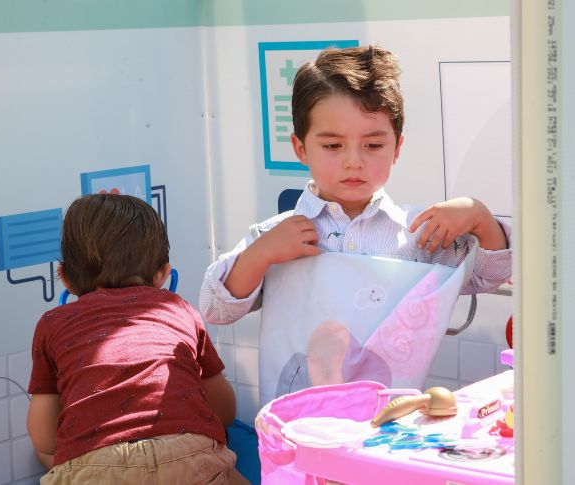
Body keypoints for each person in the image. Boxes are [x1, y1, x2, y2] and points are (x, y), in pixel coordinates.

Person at [199, 45, 511, 327]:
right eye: (333, 145)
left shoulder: (419, 232)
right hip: (301, 392)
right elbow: (215, 310)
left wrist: (479, 216)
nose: (354, 162)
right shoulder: (275, 235)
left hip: (394, 392)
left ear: (397, 148)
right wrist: (259, 256)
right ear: (300, 148)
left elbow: (490, 276)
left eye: (373, 145)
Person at [27, 194, 248, 485]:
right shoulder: (177, 309)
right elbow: (224, 410)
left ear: (64, 278)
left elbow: (44, 437)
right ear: (163, 275)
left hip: (98, 469)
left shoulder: (52, 324)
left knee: (52, 460)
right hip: (187, 456)